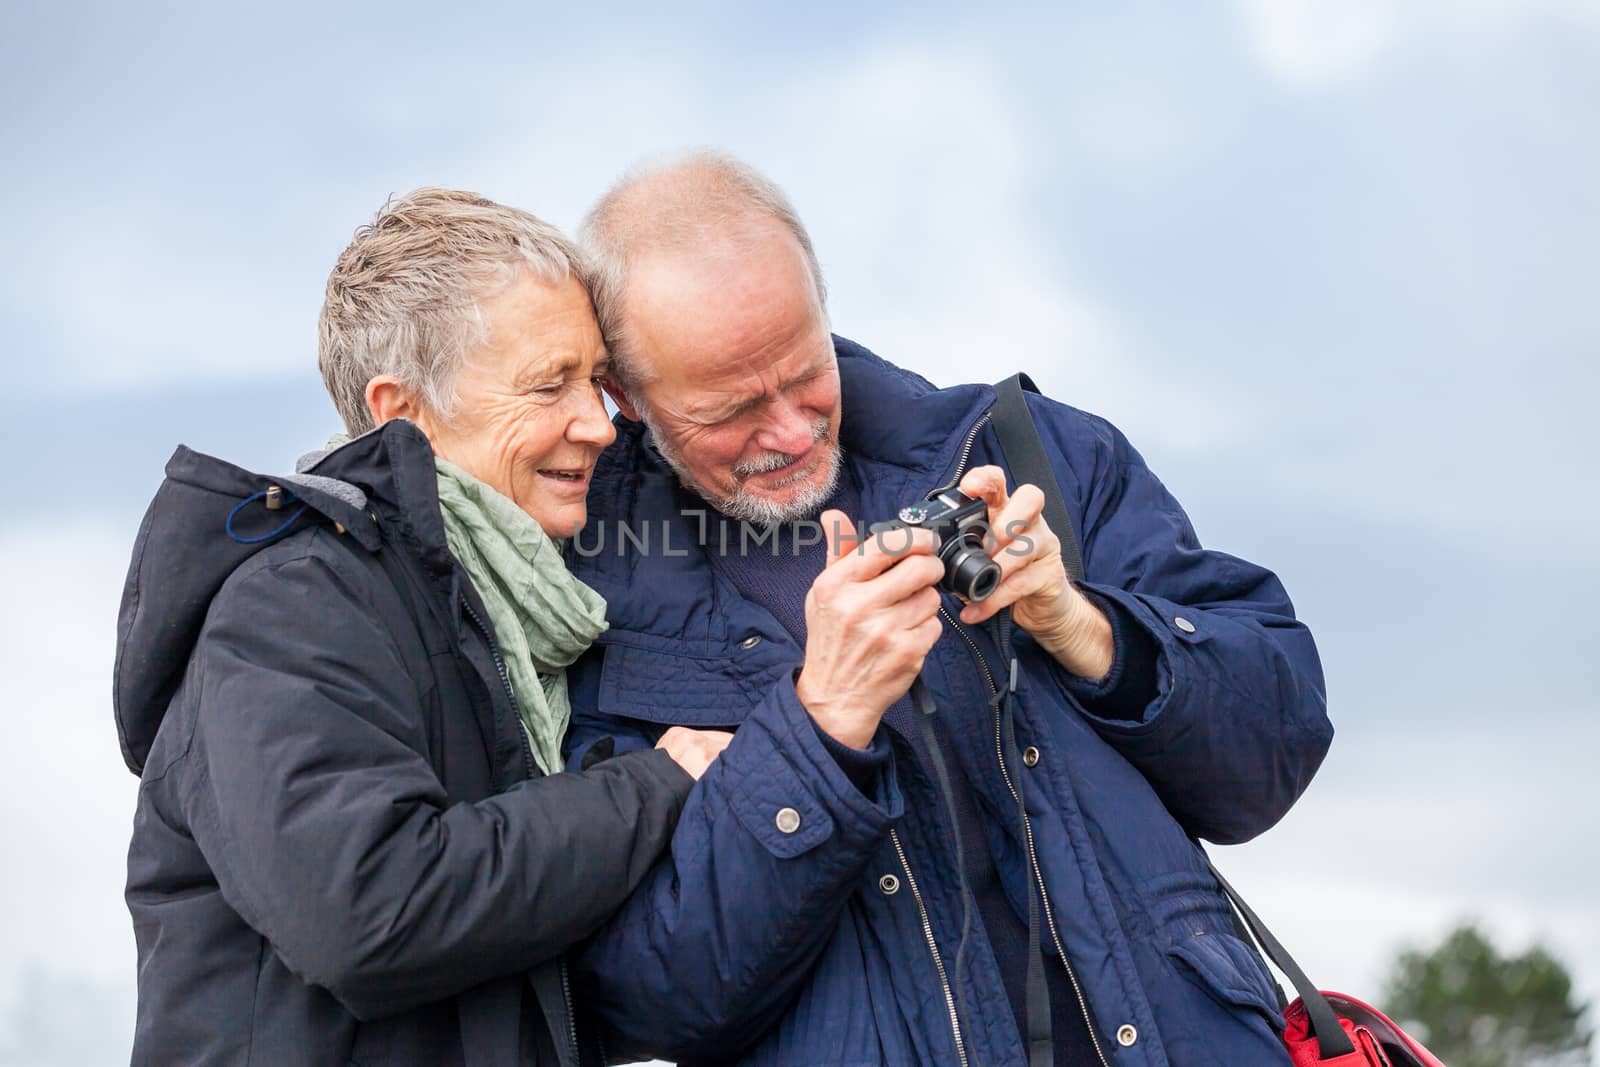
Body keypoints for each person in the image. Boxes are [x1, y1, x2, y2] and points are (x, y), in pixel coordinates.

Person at [562, 152, 1333, 1066]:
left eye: (805, 371)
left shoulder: (1030, 450)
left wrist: (1083, 629)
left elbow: (1278, 746)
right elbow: (640, 1000)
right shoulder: (585, 595)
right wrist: (818, 730)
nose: (792, 430)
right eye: (732, 408)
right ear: (627, 398)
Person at [115, 188, 732, 1067]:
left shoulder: (513, 615)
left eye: (596, 379)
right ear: (401, 412)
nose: (598, 423)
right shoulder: (291, 603)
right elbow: (367, 909)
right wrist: (658, 785)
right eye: (550, 383)